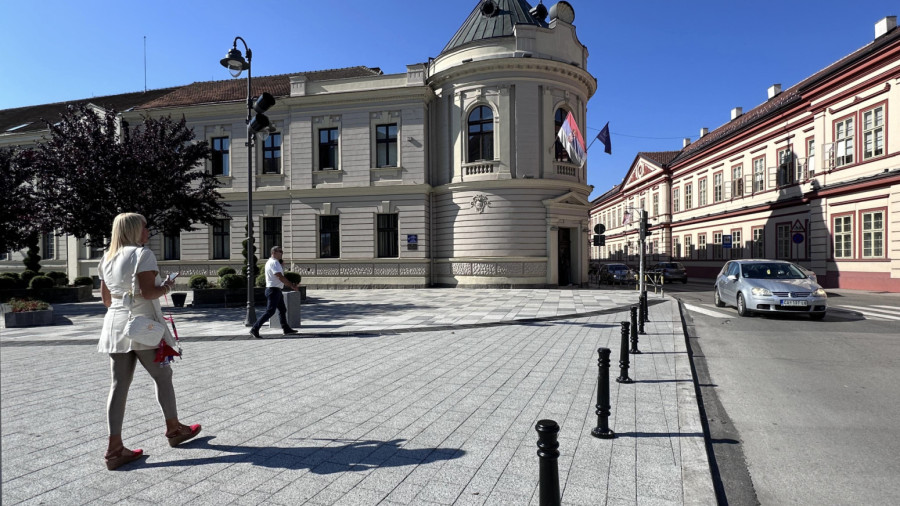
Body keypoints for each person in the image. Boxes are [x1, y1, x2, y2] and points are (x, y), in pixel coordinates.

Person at [98, 213, 201, 470]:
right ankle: (174, 428)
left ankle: (114, 448)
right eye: (145, 227)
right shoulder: (142, 254)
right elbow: (148, 292)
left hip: (114, 325)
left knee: (118, 385)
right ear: (135, 229)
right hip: (142, 326)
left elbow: (107, 300)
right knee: (163, 376)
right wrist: (166, 287)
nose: (148, 231)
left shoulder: (106, 258)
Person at [249, 246, 299, 338]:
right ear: (274, 252)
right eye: (280, 251)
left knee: (282, 309)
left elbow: (278, 275)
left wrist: (282, 266)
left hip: (275, 290)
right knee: (270, 312)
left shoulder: (271, 262)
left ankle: (286, 329)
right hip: (273, 290)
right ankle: (254, 329)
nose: (282, 253)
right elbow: (279, 276)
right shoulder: (274, 262)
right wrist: (291, 285)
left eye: (282, 251)